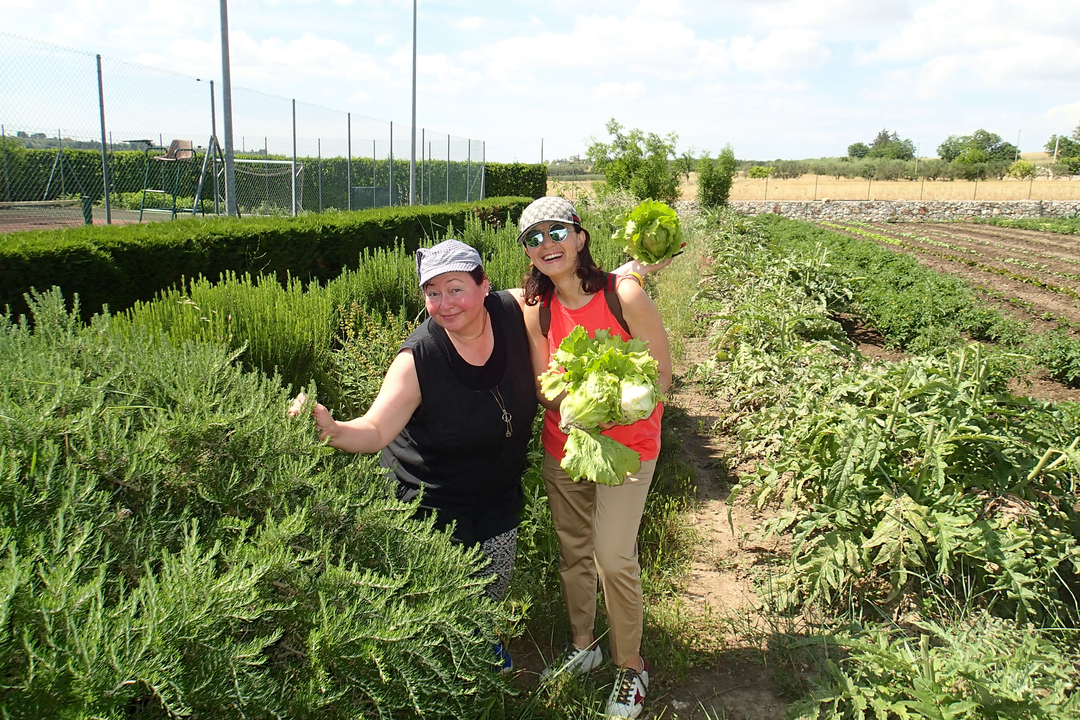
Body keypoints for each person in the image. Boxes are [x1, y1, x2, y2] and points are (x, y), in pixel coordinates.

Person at [288, 239, 537, 671]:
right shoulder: (419, 356)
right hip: (430, 505)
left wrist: (629, 276)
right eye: (432, 292)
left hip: (497, 490)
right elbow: (376, 428)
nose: (444, 303)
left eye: (456, 288)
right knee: (440, 601)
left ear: (484, 286)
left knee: (494, 583)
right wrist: (332, 430)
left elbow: (566, 288)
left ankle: (480, 638)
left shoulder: (512, 310)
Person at [518, 197, 672, 720]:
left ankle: (632, 667)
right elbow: (545, 384)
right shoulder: (536, 307)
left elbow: (661, 375)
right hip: (566, 447)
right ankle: (584, 647)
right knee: (574, 552)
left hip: (628, 451)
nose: (547, 243)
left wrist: (612, 407)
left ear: (580, 237)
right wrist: (575, 408)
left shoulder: (622, 294)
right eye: (533, 237)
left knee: (612, 556)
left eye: (556, 231)